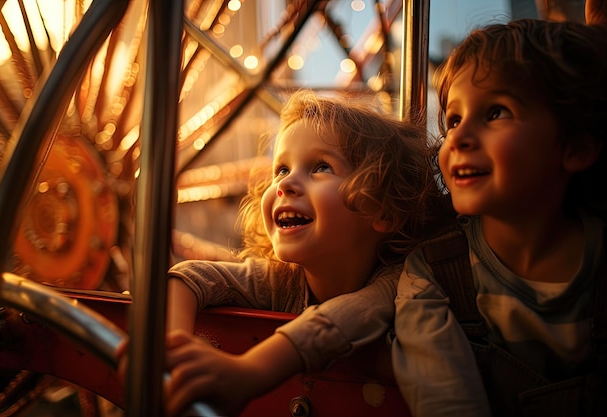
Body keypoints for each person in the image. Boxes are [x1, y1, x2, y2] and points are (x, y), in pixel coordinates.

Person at [160, 90, 454, 416]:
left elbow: (337, 321)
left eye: (320, 167)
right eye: (282, 169)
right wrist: (173, 348)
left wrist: (248, 371)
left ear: (383, 211)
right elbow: (193, 276)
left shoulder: (398, 285)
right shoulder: (281, 279)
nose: (286, 185)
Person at [391, 11, 607, 417]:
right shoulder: (433, 273)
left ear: (576, 148)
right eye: (453, 119)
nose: (458, 138)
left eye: (496, 113)